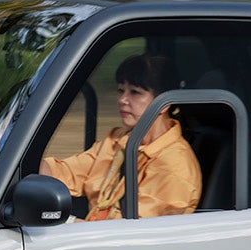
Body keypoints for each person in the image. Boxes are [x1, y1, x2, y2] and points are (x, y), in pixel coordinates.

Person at [40, 53, 202, 220]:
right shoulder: (119, 140)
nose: (122, 99)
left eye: (135, 92)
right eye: (121, 90)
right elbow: (65, 172)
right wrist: (22, 167)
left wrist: (66, 223)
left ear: (163, 103)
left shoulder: (174, 166)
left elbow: (132, 235)